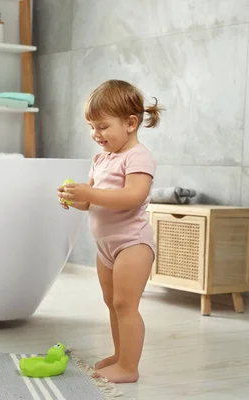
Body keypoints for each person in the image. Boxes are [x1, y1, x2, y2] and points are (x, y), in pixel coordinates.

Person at [57, 79, 163, 384]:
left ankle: (129, 367)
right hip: (106, 247)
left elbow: (133, 196)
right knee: (111, 303)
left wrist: (89, 194)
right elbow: (94, 203)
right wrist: (75, 197)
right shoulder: (100, 159)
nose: (96, 134)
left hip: (132, 244)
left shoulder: (138, 157)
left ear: (130, 123)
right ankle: (121, 355)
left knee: (125, 305)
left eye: (102, 126)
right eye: (92, 127)